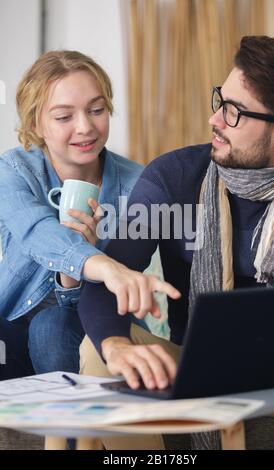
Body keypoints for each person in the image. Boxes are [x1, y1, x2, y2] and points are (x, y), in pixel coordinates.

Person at [78, 36, 274, 449]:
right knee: (97, 351)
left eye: (234, 112)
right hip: (194, 365)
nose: (215, 119)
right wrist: (116, 344)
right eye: (221, 100)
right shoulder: (176, 176)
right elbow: (104, 282)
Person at [0, 50, 179, 381]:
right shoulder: (13, 171)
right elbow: (36, 231)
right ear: (35, 123)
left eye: (96, 110)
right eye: (64, 117)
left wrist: (73, 280)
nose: (85, 127)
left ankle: (77, 433)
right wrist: (104, 266)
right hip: (12, 331)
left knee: (51, 324)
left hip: (86, 336)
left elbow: (99, 308)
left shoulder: (139, 185)